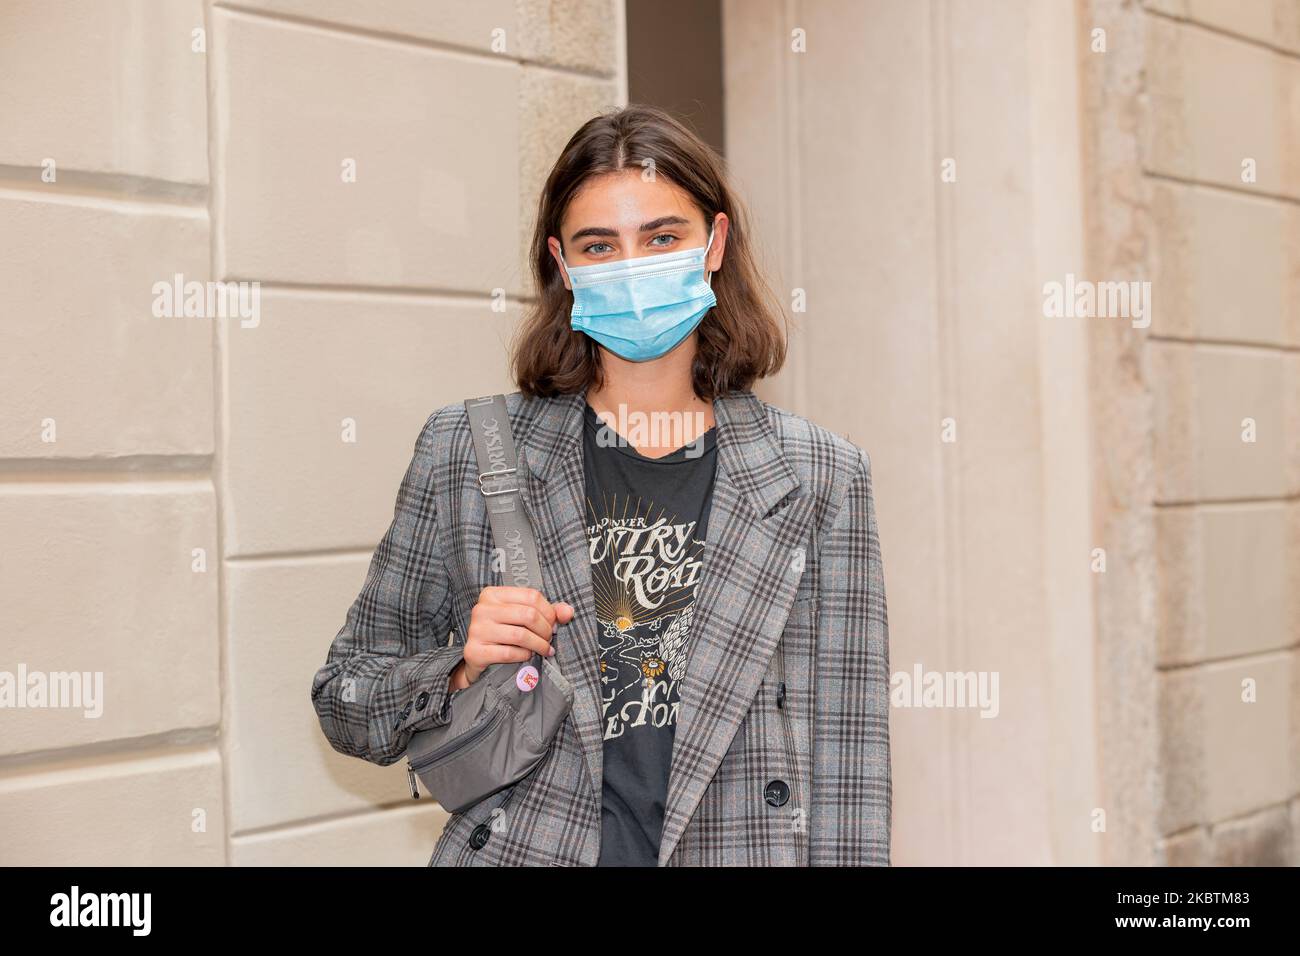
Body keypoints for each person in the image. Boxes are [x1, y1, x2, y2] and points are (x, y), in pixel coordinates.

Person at [310, 104, 891, 867]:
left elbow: (850, 761)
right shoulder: (468, 451)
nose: (632, 267)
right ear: (562, 262)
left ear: (714, 242)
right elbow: (345, 698)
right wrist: (457, 664)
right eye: (598, 245)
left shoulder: (820, 476)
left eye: (661, 237)